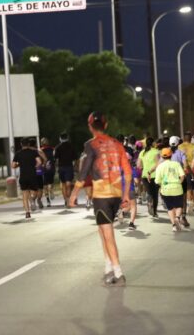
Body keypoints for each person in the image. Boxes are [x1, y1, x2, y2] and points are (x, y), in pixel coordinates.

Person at [69, 111, 132, 287]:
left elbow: (84, 172)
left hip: (102, 196)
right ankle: (108, 268)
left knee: (108, 234)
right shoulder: (118, 144)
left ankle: (118, 272)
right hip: (116, 194)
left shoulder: (90, 145)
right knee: (103, 231)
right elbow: (127, 172)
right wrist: (126, 195)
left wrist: (74, 194)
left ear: (90, 127)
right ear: (106, 125)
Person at [154, 147, 187, 232]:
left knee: (170, 208)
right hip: (177, 188)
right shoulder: (176, 164)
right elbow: (182, 176)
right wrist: (179, 183)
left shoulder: (160, 166)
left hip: (165, 190)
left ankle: (174, 226)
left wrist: (162, 185)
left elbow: (157, 181)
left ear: (162, 156)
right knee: (179, 206)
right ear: (171, 155)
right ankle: (178, 218)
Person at [12, 138, 43, 219]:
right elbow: (39, 162)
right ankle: (32, 199)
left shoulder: (18, 153)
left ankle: (27, 213)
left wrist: (19, 165)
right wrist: (35, 167)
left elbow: (13, 165)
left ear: (21, 144)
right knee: (35, 191)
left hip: (23, 176)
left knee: (25, 194)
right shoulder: (33, 152)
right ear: (29, 144)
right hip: (32, 175)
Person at [169, 136, 190, 227]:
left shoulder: (167, 153)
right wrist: (186, 171)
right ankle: (183, 217)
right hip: (181, 178)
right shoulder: (181, 153)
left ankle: (175, 219)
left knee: (173, 198)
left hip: (170, 179)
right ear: (178, 144)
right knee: (183, 198)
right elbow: (185, 165)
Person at [138, 137, 161, 218]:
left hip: (144, 175)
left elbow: (139, 165)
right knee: (155, 194)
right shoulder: (156, 151)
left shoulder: (142, 152)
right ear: (153, 143)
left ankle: (149, 201)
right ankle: (154, 212)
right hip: (154, 175)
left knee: (149, 192)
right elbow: (158, 163)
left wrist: (145, 168)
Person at [179, 132, 194, 214]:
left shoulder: (179, 147)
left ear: (184, 138)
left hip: (184, 169)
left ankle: (189, 202)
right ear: (191, 138)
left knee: (187, 187)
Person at [54, 133, 77, 208]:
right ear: (67, 138)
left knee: (63, 184)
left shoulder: (58, 147)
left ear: (60, 139)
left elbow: (56, 159)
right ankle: (68, 200)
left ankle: (66, 200)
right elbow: (75, 158)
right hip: (69, 167)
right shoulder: (71, 146)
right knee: (68, 184)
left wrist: (57, 167)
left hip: (61, 167)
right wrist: (75, 167)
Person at [40, 137, 56, 207]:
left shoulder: (40, 150)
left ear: (41, 143)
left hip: (43, 169)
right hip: (52, 168)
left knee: (45, 185)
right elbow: (55, 158)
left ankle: (48, 200)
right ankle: (51, 191)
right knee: (51, 182)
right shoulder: (53, 149)